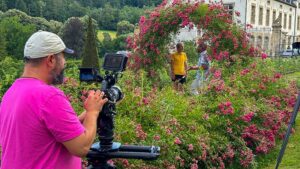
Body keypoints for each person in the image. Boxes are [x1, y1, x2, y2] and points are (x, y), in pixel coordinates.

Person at [0, 30, 108, 169]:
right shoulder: (49, 96)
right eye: (63, 57)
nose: (65, 63)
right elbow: (81, 147)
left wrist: (87, 112)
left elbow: (49, 129)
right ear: (51, 60)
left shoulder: (12, 92)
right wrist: (93, 113)